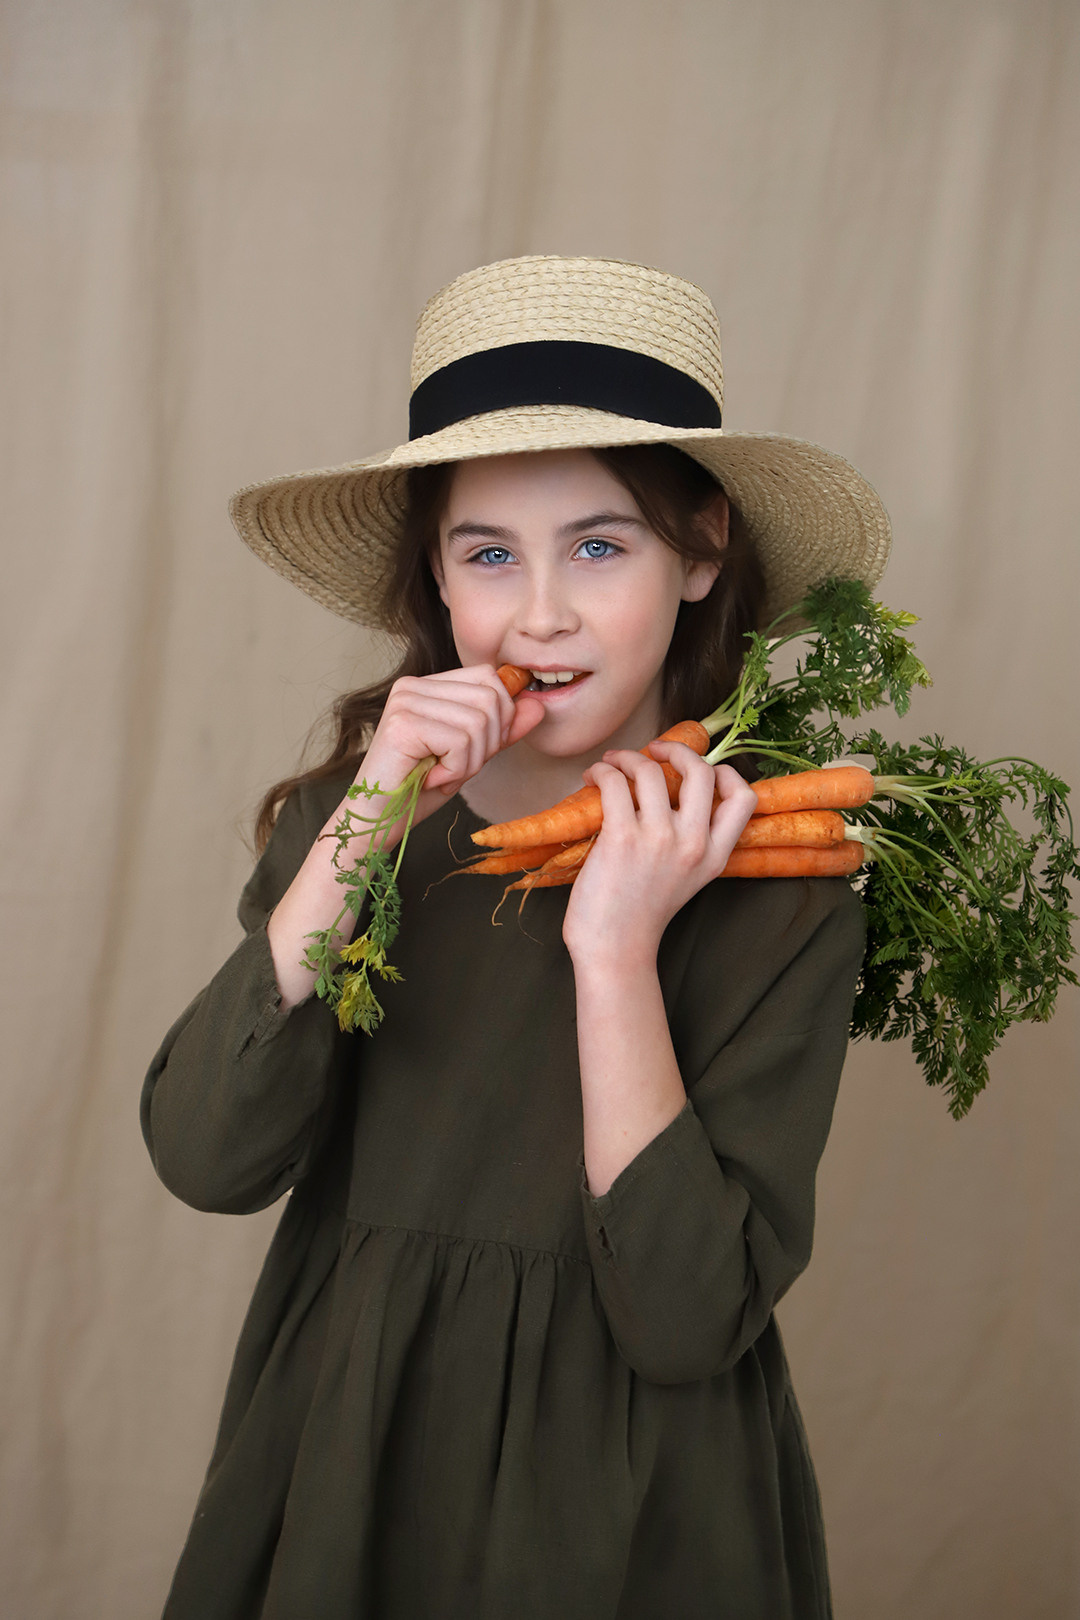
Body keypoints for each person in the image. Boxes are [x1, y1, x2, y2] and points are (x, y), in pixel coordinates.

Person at [142, 255, 891, 1620]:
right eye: (489, 553)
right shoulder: (351, 823)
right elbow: (206, 1158)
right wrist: (359, 829)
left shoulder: (783, 887)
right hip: (349, 1446)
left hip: (627, 1499)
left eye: (600, 545)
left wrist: (611, 952)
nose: (539, 613)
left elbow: (682, 1320)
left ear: (704, 546)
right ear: (437, 572)